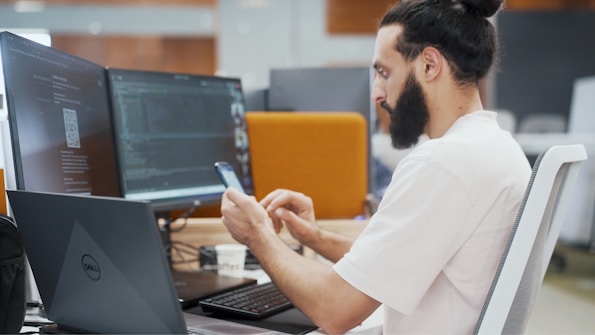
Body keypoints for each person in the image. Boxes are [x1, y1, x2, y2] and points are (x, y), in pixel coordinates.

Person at [219, 0, 532, 333]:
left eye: (384, 72)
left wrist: (259, 236)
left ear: (429, 65)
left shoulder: (443, 165)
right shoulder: (496, 148)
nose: (376, 93)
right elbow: (391, 263)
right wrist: (315, 237)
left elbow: (334, 309)